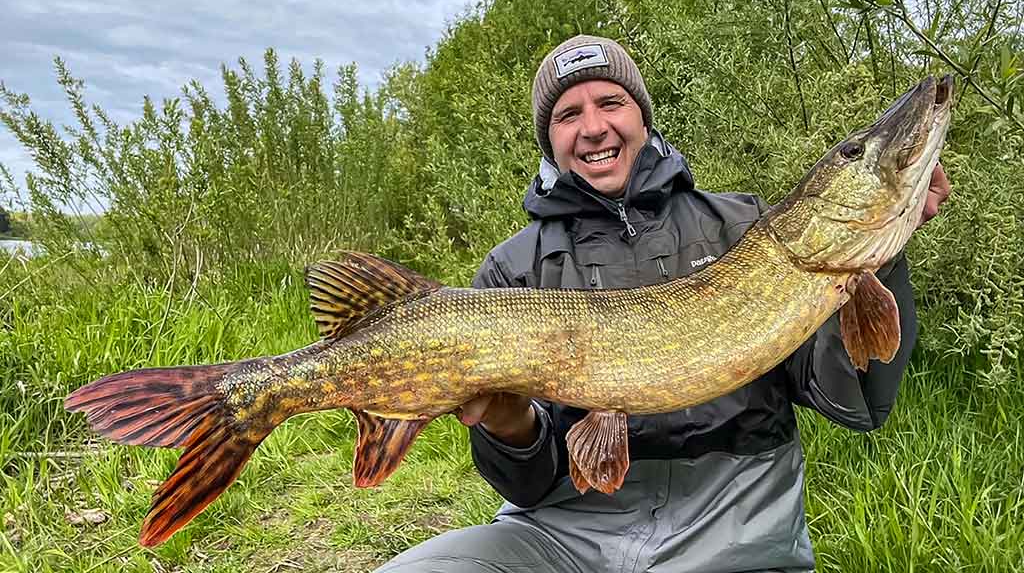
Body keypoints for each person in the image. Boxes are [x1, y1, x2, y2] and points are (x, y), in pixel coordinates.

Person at [375, 35, 951, 573]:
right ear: (548, 139)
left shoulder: (743, 230)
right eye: (568, 114)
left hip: (739, 536)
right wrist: (507, 423)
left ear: (643, 117)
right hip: (567, 534)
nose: (594, 128)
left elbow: (857, 403)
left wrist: (883, 260)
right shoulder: (512, 271)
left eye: (611, 102)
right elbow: (527, 486)